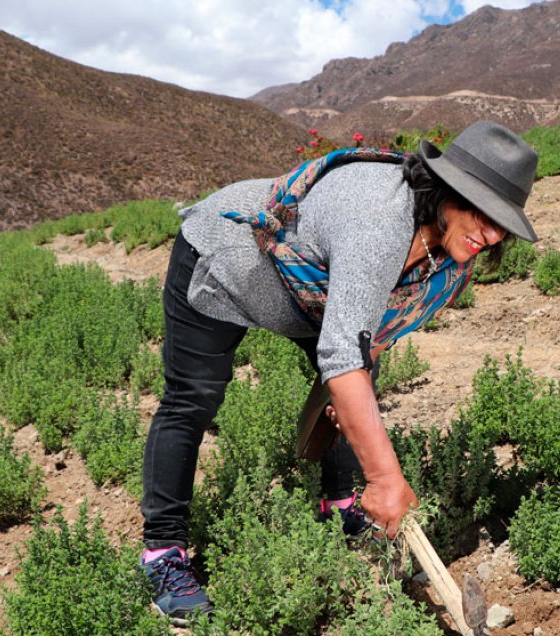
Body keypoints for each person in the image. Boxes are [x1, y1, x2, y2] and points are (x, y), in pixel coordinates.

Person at [139, 120, 539, 625]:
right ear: (445, 192)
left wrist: (355, 394)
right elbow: (342, 357)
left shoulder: (448, 251)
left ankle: (341, 503)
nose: (492, 232)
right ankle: (163, 556)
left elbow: (360, 345)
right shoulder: (379, 222)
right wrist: (386, 477)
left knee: (354, 382)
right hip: (227, 261)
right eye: (483, 213)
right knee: (192, 400)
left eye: (503, 221)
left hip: (311, 292)